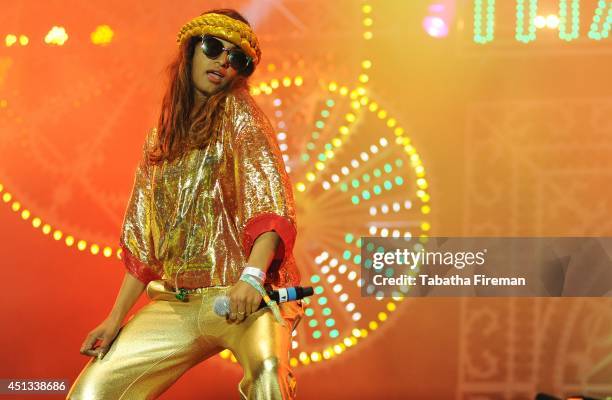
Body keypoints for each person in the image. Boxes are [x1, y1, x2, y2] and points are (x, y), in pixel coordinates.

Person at [67, 8, 303, 400]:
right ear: (191, 51)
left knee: (268, 372)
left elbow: (271, 208)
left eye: (237, 58)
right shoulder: (160, 138)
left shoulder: (240, 114)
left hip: (243, 299)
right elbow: (145, 244)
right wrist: (114, 319)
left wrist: (251, 279)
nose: (224, 62)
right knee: (92, 391)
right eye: (214, 48)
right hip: (177, 303)